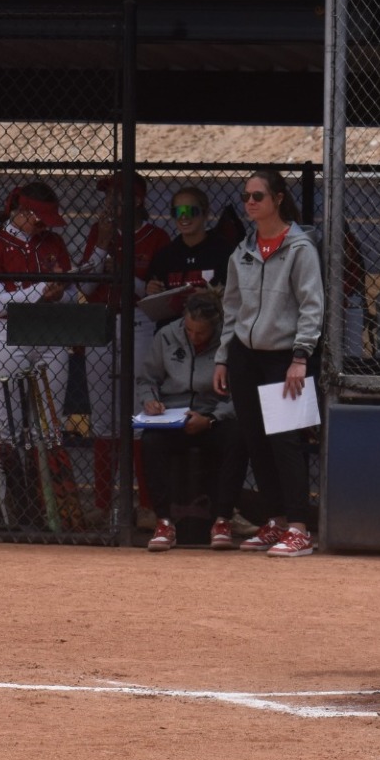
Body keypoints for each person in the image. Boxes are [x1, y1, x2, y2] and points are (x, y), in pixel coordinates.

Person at [210, 170, 323, 557]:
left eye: (258, 196)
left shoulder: (300, 248)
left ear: (277, 198)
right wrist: (224, 357)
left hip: (284, 357)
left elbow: (312, 306)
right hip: (245, 355)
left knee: (286, 441)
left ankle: (299, 527)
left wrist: (300, 357)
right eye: (246, 197)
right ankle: (275, 520)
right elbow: (232, 308)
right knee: (255, 438)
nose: (250, 203)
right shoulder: (241, 251)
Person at [0, 182, 78, 503]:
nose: (45, 224)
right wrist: (41, 291)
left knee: (48, 429)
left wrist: (61, 293)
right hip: (10, 337)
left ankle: (48, 504)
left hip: (51, 334)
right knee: (6, 428)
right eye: (39, 217)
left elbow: (72, 295)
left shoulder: (53, 241)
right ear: (20, 213)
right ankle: (12, 506)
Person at [83, 172, 171, 524]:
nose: (110, 204)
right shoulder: (98, 232)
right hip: (103, 322)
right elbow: (87, 288)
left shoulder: (157, 237)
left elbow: (155, 293)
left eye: (117, 197)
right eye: (108, 197)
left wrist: (124, 275)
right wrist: (102, 246)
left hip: (140, 323)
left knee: (141, 417)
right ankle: (103, 504)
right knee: (103, 418)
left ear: (136, 200)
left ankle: (147, 504)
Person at [136, 290, 249, 553]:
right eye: (189, 330)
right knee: (150, 442)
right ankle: (164, 521)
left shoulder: (228, 341)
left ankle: (222, 520)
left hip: (212, 414)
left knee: (238, 437)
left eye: (201, 333)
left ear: (215, 327)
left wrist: (210, 419)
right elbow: (147, 379)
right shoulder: (166, 335)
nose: (193, 337)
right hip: (173, 415)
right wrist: (151, 401)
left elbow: (240, 395)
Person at [143, 186, 235, 324]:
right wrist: (151, 290)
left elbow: (237, 297)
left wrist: (210, 297)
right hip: (173, 329)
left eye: (191, 211)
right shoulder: (165, 255)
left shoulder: (224, 252)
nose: (184, 216)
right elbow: (153, 298)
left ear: (205, 213)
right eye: (178, 212)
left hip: (213, 327)